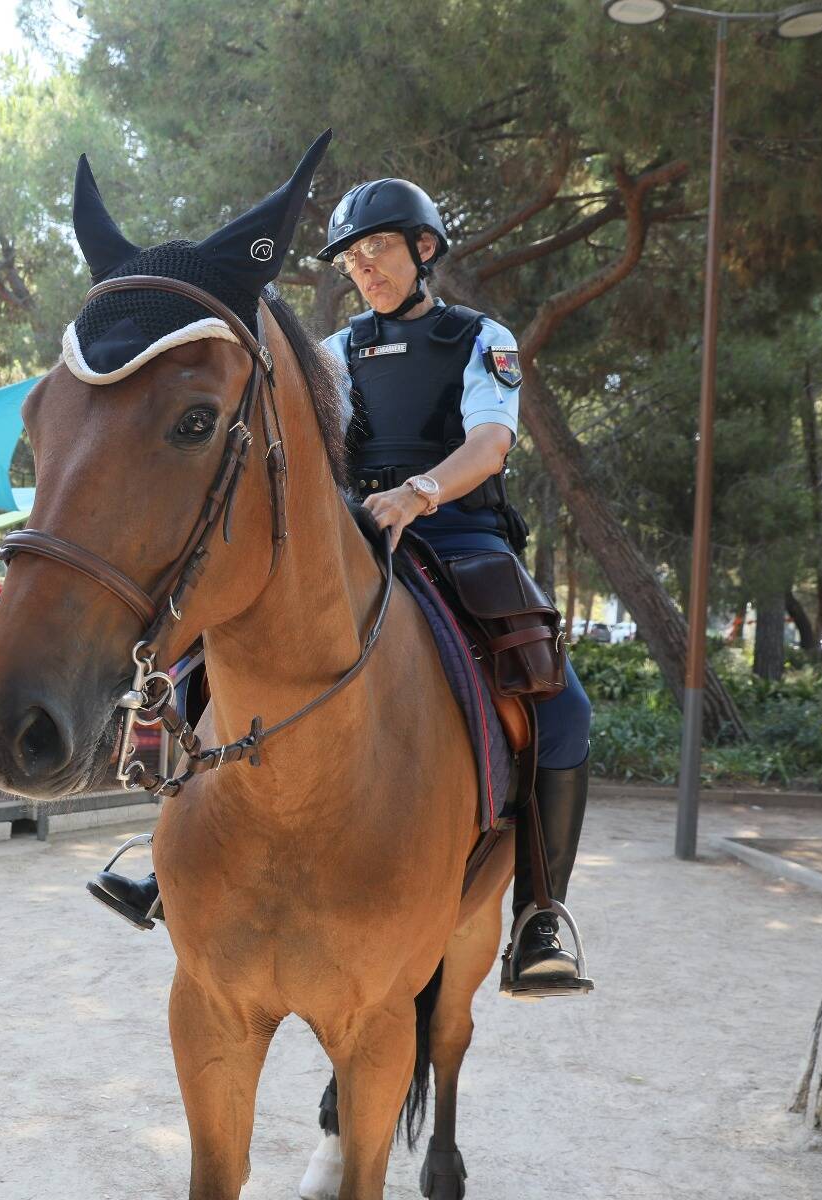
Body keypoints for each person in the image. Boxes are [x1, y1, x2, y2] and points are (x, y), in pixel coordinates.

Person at [89, 179, 595, 1000]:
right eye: (355, 259)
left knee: (563, 705)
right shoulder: (332, 353)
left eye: (381, 250)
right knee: (196, 651)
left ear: (424, 249)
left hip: (460, 533)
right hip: (352, 536)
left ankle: (541, 913)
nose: (367, 269)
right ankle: (164, 849)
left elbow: (492, 443)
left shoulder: (481, 337)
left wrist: (419, 493)